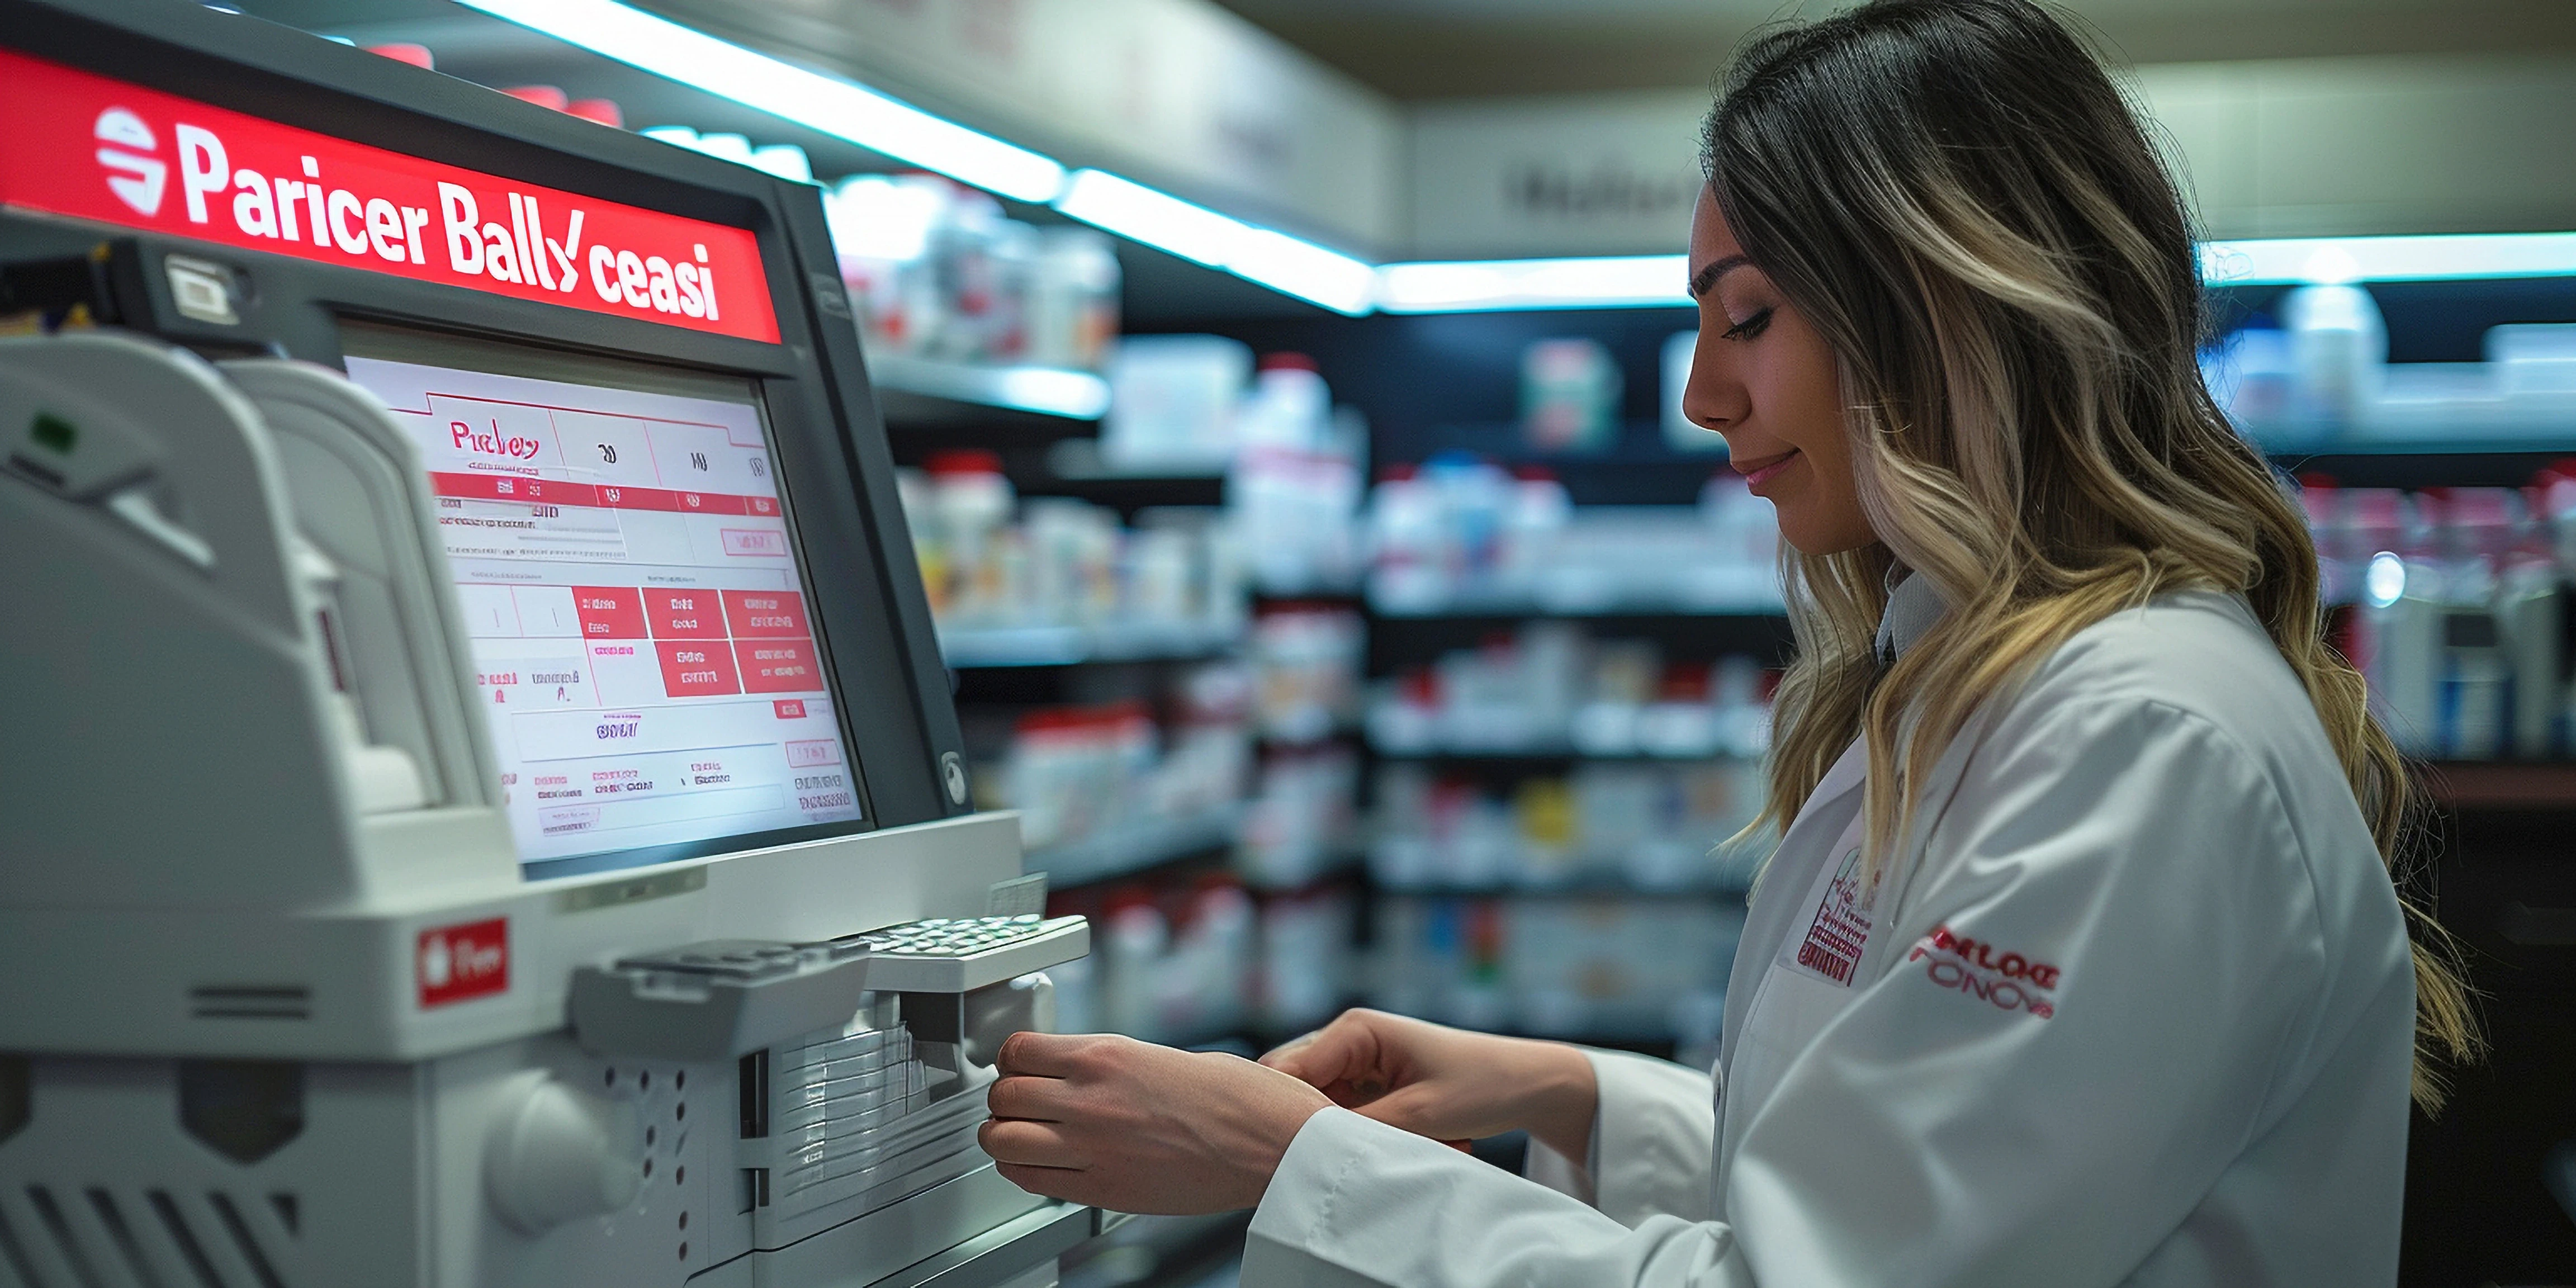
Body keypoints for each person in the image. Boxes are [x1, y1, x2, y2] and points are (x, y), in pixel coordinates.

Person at [974, 0, 2482, 1281]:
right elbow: (1883, 1183)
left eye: (1748, 316)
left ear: (1947, 305)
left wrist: (1282, 1157)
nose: (1704, 399)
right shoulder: (1986, 687)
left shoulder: (2143, 742)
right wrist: (1565, 1090)